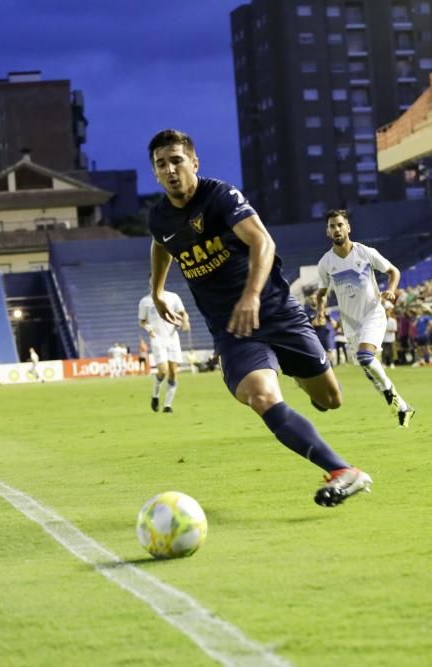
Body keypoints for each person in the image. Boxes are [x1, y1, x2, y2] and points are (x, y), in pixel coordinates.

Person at [146, 128, 370, 507]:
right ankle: (343, 471)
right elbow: (161, 245)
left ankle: (295, 372)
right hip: (233, 329)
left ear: (194, 163)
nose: (170, 170)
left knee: (331, 400)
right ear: (155, 172)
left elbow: (263, 241)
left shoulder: (219, 196)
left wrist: (251, 295)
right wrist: (157, 291)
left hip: (275, 311)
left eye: (177, 161)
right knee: (260, 396)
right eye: (161, 164)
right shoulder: (159, 218)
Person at [315, 209, 415, 427]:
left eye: (340, 225)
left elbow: (393, 271)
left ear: (348, 227)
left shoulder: (365, 252)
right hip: (350, 324)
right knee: (369, 371)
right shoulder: (325, 263)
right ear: (327, 231)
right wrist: (320, 310)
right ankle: (403, 407)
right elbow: (321, 293)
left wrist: (391, 289)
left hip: (373, 314)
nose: (337, 229)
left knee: (365, 358)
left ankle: (391, 394)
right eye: (332, 226)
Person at [138, 288, 189, 413]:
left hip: (172, 338)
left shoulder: (173, 297)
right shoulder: (145, 301)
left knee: (173, 372)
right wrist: (148, 328)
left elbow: (182, 313)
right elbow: (142, 321)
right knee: (163, 370)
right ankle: (155, 395)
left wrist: (185, 322)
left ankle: (167, 405)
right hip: (157, 339)